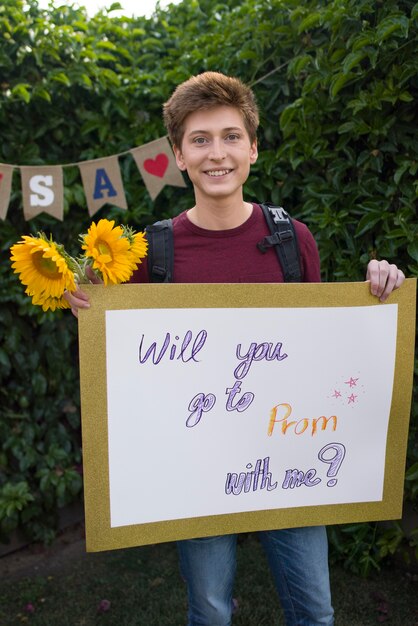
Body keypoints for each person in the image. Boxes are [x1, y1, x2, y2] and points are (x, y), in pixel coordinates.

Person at [65, 72, 405, 626]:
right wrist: (86, 305)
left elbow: (321, 352)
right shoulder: (152, 252)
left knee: (316, 613)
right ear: (178, 154)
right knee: (210, 611)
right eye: (199, 140)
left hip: (290, 461)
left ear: (252, 148)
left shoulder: (293, 241)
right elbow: (125, 364)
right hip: (196, 472)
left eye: (229, 137)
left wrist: (379, 293)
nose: (215, 153)